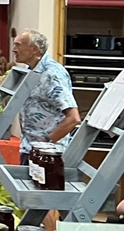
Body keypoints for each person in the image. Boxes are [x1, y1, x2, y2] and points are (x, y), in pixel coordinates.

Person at [13, 29, 80, 164]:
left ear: (35, 49)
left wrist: (45, 144)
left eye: (18, 45)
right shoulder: (30, 70)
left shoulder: (52, 75)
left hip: (47, 154)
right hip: (29, 148)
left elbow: (73, 118)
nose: (14, 49)